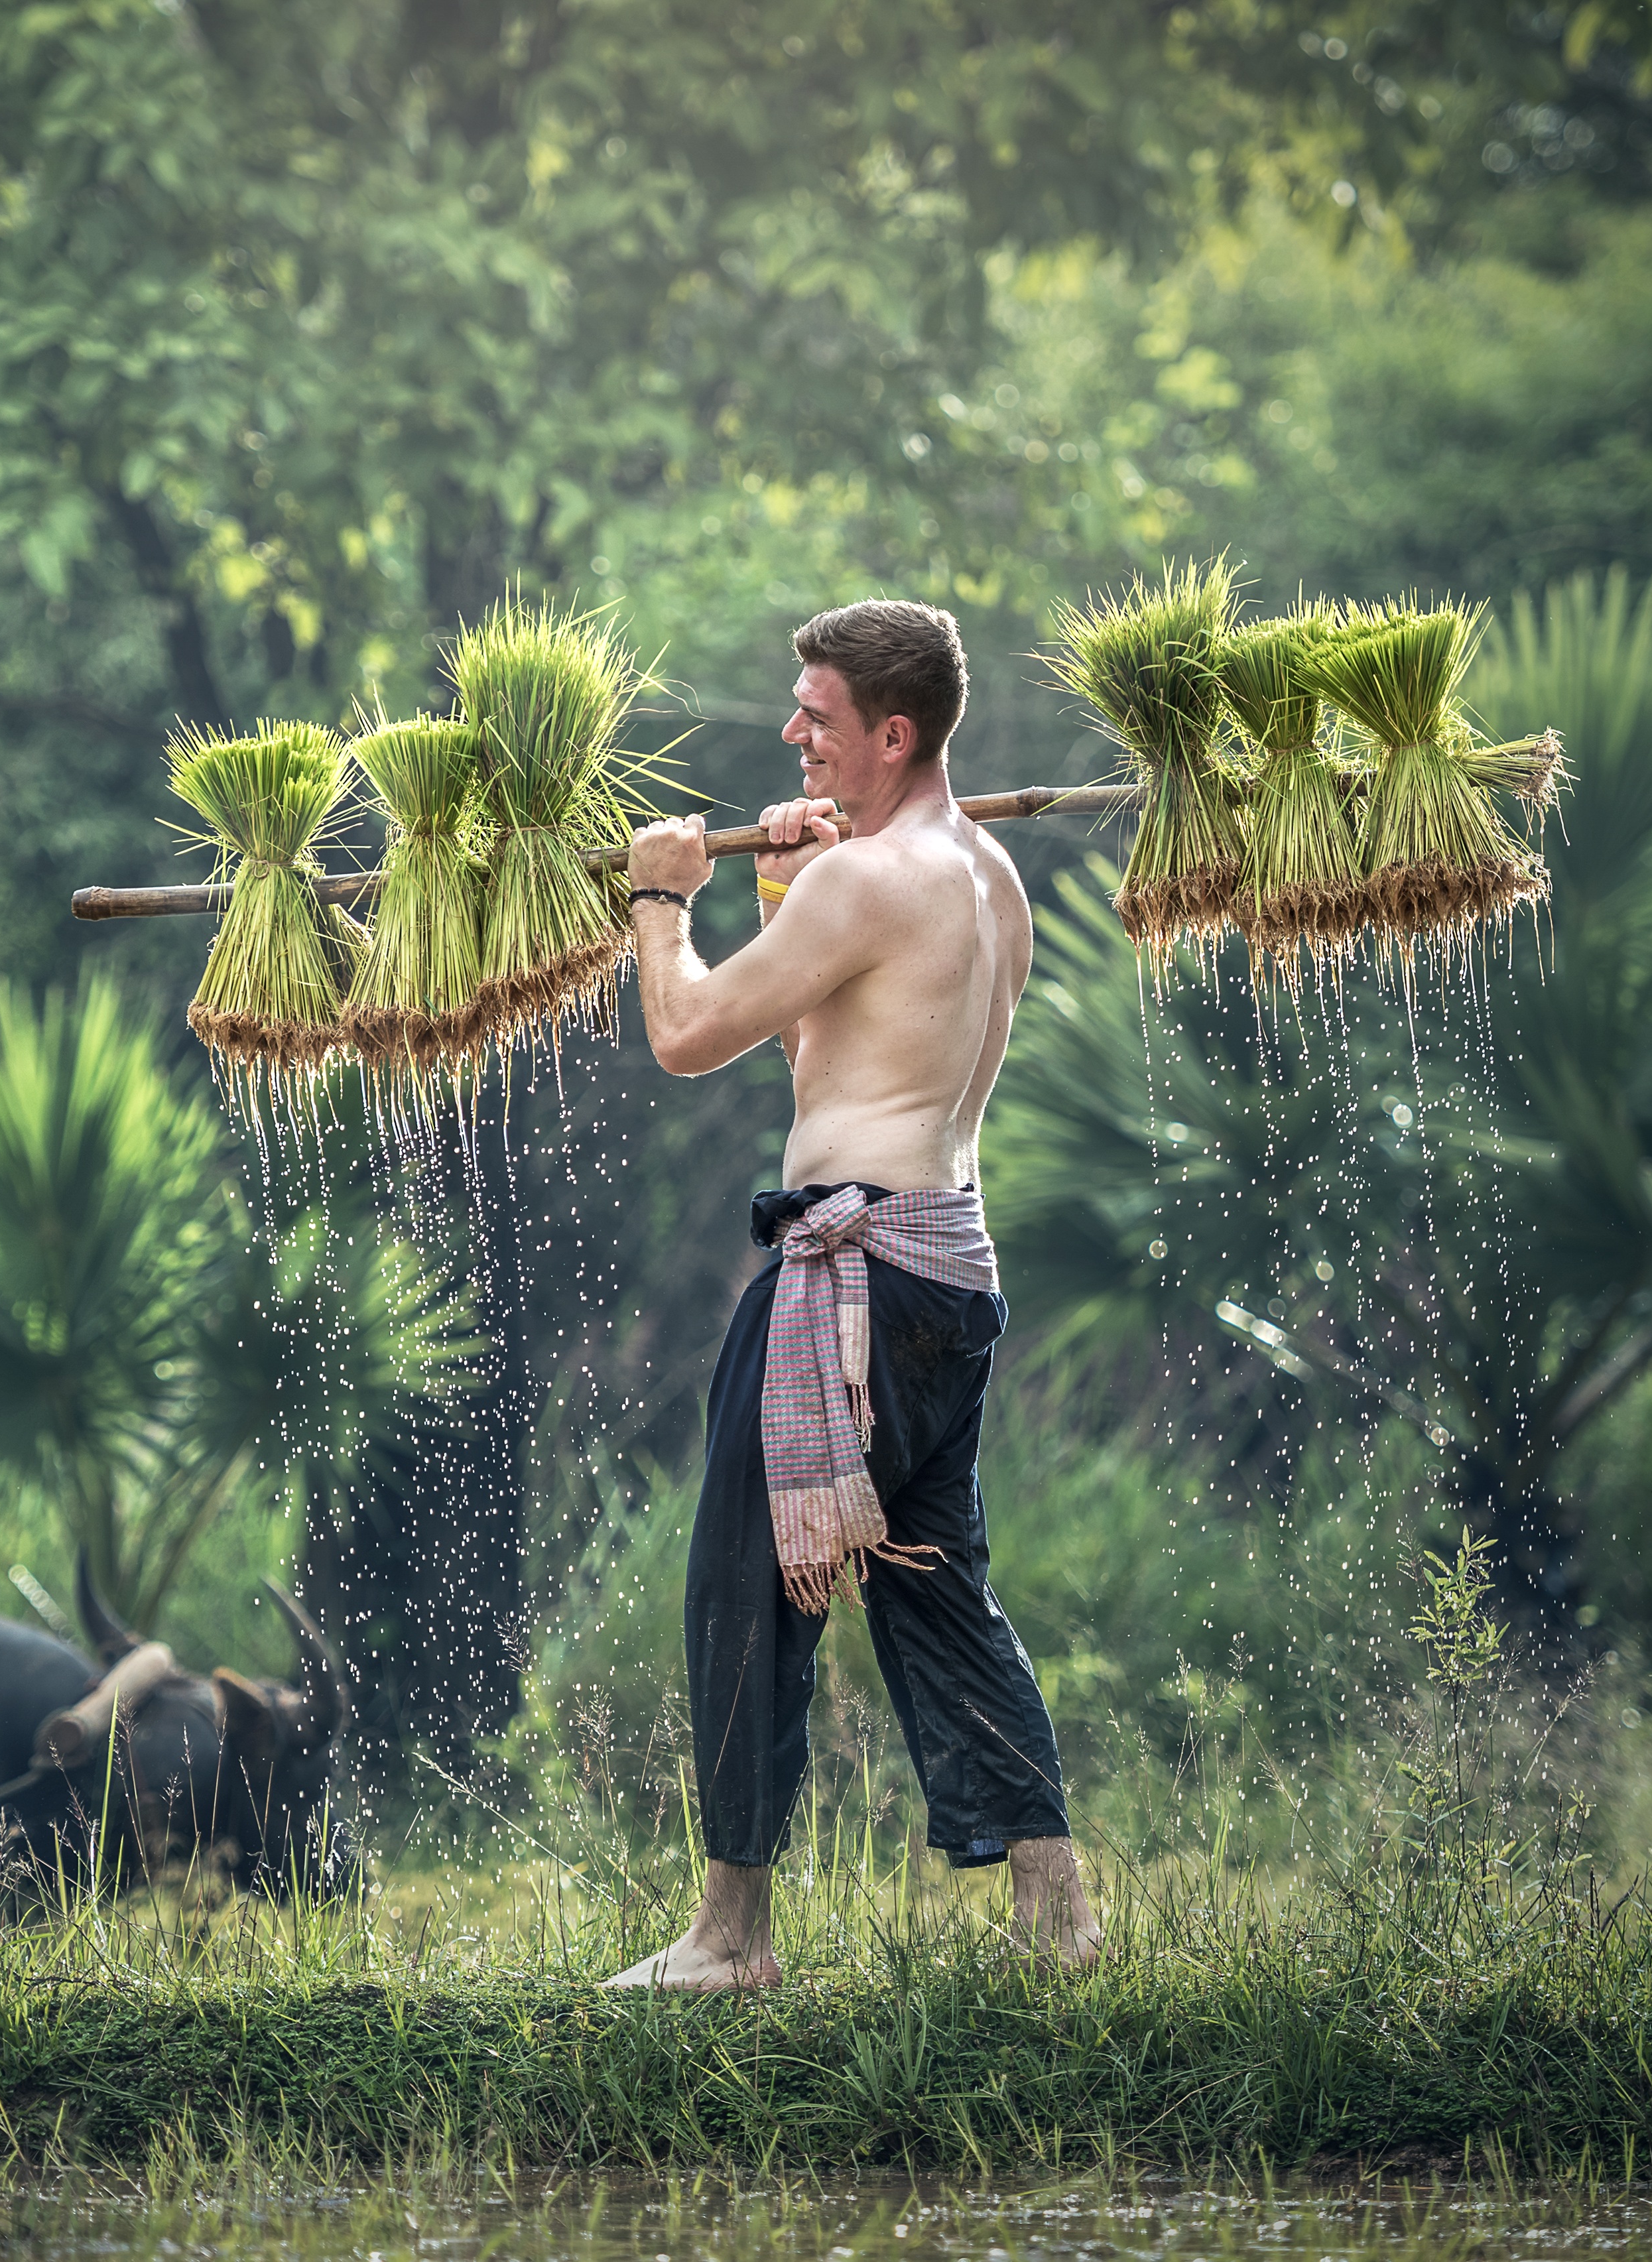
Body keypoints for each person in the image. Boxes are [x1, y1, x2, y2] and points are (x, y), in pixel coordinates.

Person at [602, 600, 1102, 1990]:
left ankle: (728, 1935)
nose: (789, 733)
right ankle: (1059, 1918)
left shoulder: (867, 883)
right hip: (949, 1274)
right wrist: (777, 892)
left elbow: (691, 1033)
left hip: (850, 1279)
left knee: (742, 1585)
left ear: (892, 732)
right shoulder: (981, 873)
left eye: (814, 715)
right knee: (942, 1591)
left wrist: (658, 893)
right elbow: (835, 1059)